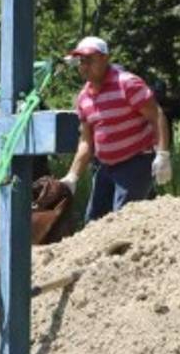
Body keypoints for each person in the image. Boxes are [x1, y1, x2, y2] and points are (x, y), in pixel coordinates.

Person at [59, 36, 171, 223]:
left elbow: (156, 115)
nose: (84, 66)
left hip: (135, 162)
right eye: (81, 61)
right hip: (106, 167)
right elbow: (86, 141)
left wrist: (163, 154)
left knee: (123, 220)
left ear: (105, 59)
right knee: (94, 222)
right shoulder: (84, 97)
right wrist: (72, 176)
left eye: (90, 60)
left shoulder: (127, 84)